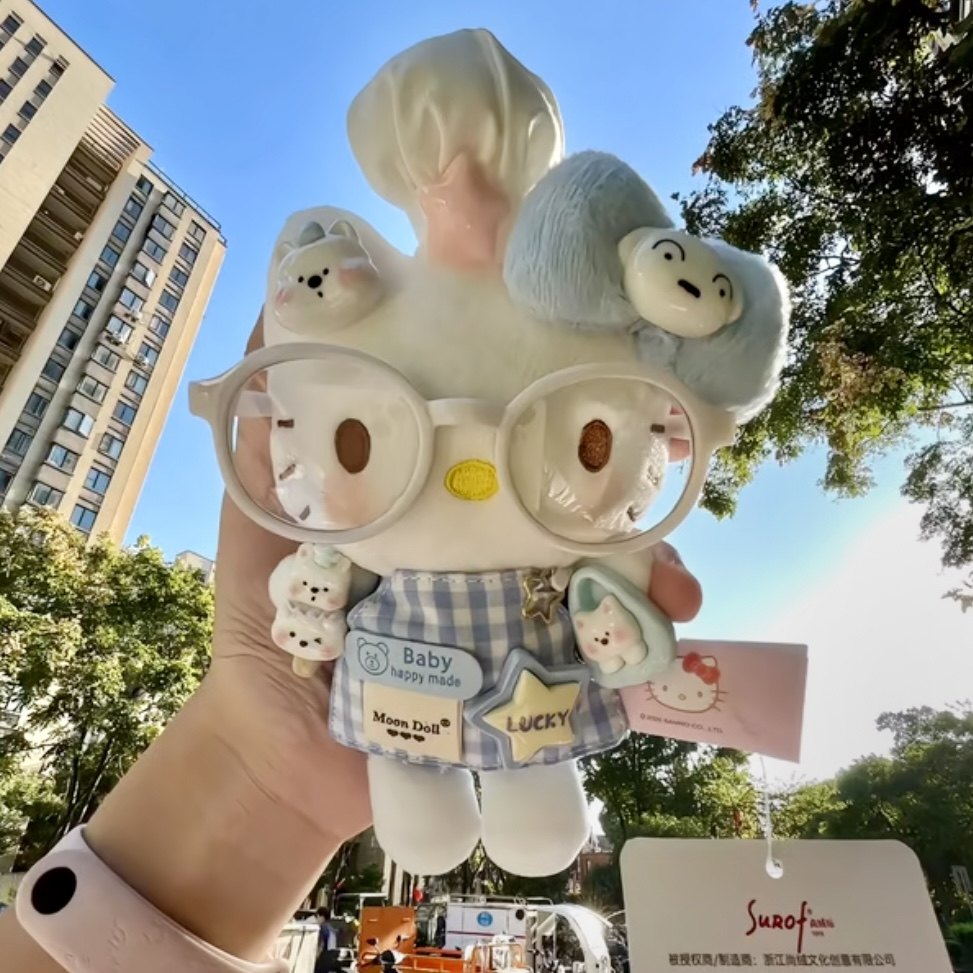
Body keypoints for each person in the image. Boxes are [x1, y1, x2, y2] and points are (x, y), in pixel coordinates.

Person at [0, 315, 703, 971]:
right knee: (442, 804)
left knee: (534, 815)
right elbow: (323, 580)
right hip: (417, 693)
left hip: (499, 687)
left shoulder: (551, 540)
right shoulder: (372, 535)